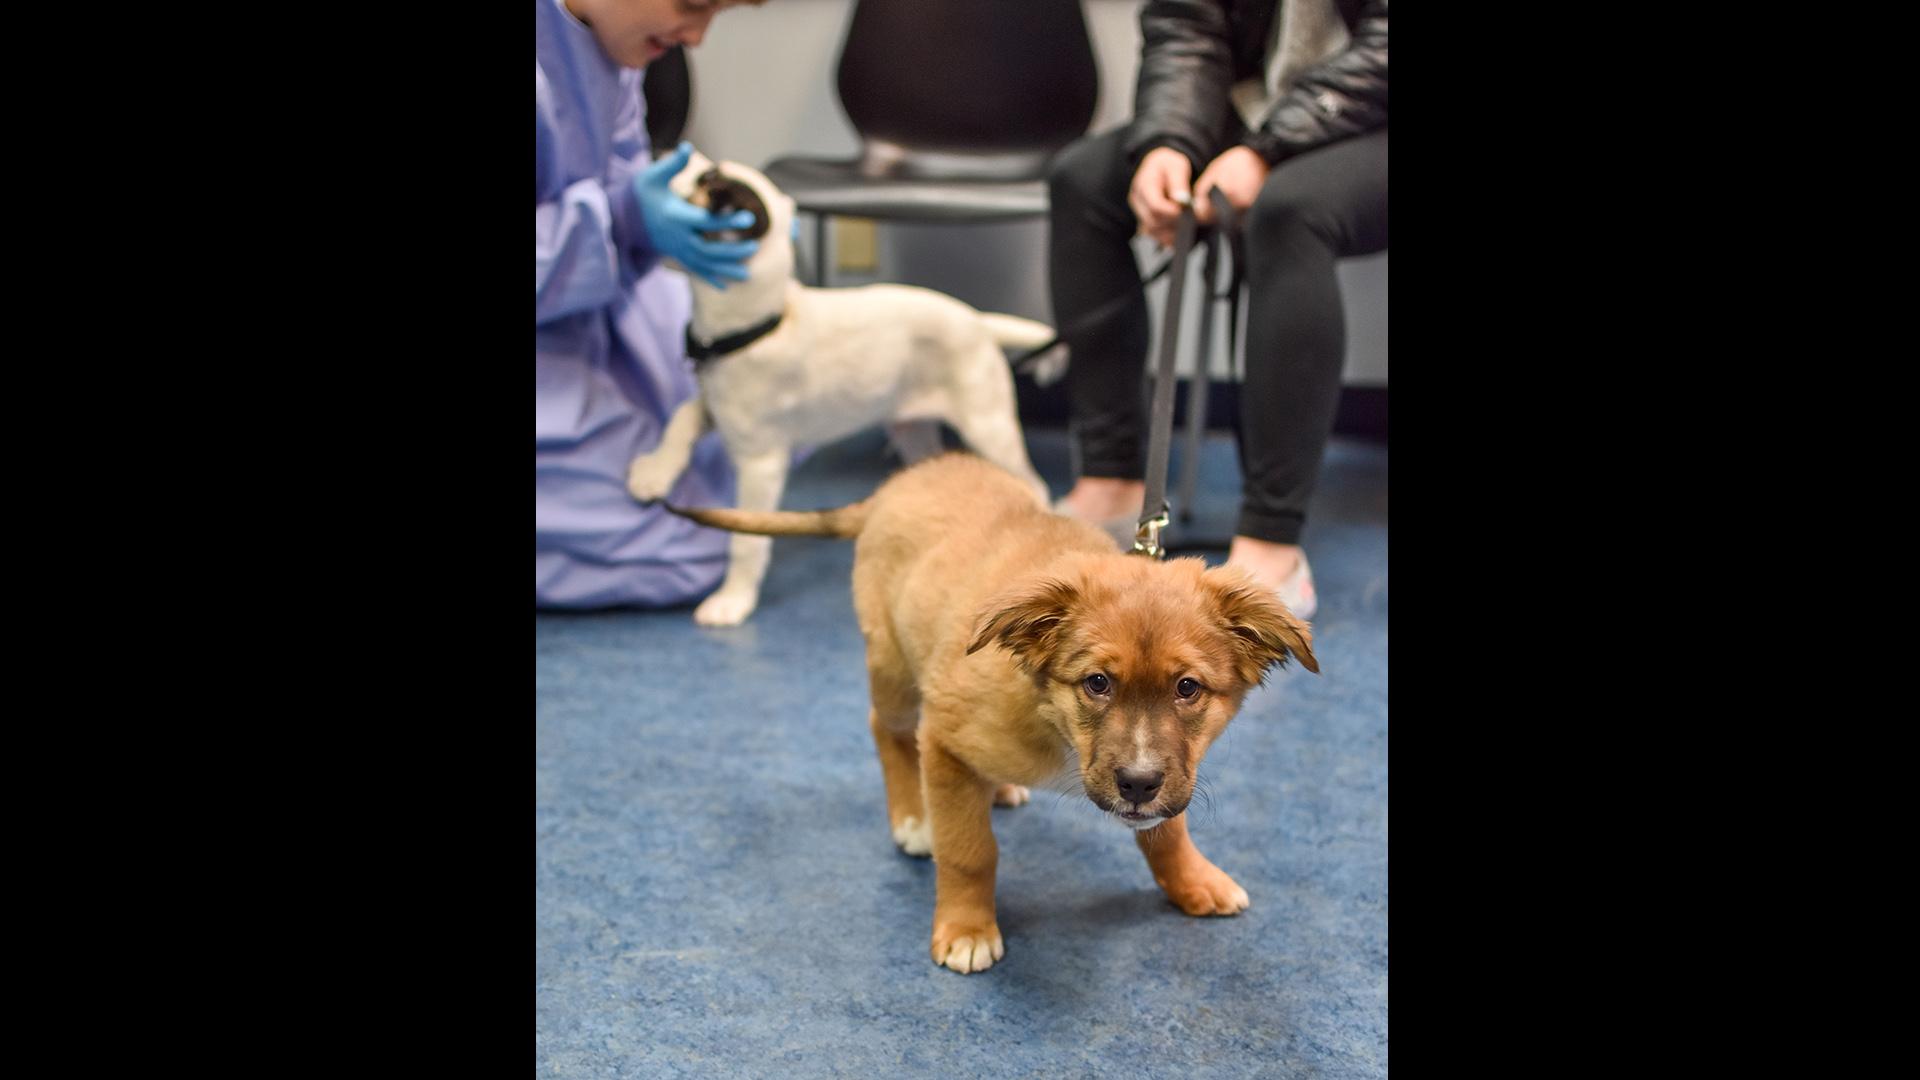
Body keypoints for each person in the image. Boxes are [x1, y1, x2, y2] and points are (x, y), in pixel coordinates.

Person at [1048, 0, 1387, 620]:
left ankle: (1271, 540)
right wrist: (1168, 141)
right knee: (1083, 179)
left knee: (1290, 211)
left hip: (1374, 116)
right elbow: (1187, 25)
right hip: (1256, 107)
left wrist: (1268, 150)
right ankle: (1113, 482)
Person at [536, 0, 766, 608]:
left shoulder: (607, 42)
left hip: (582, 302)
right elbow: (610, 210)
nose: (696, 36)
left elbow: (621, 177)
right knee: (694, 548)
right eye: (692, 6)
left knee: (764, 387)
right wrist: (620, 219)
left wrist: (662, 216)